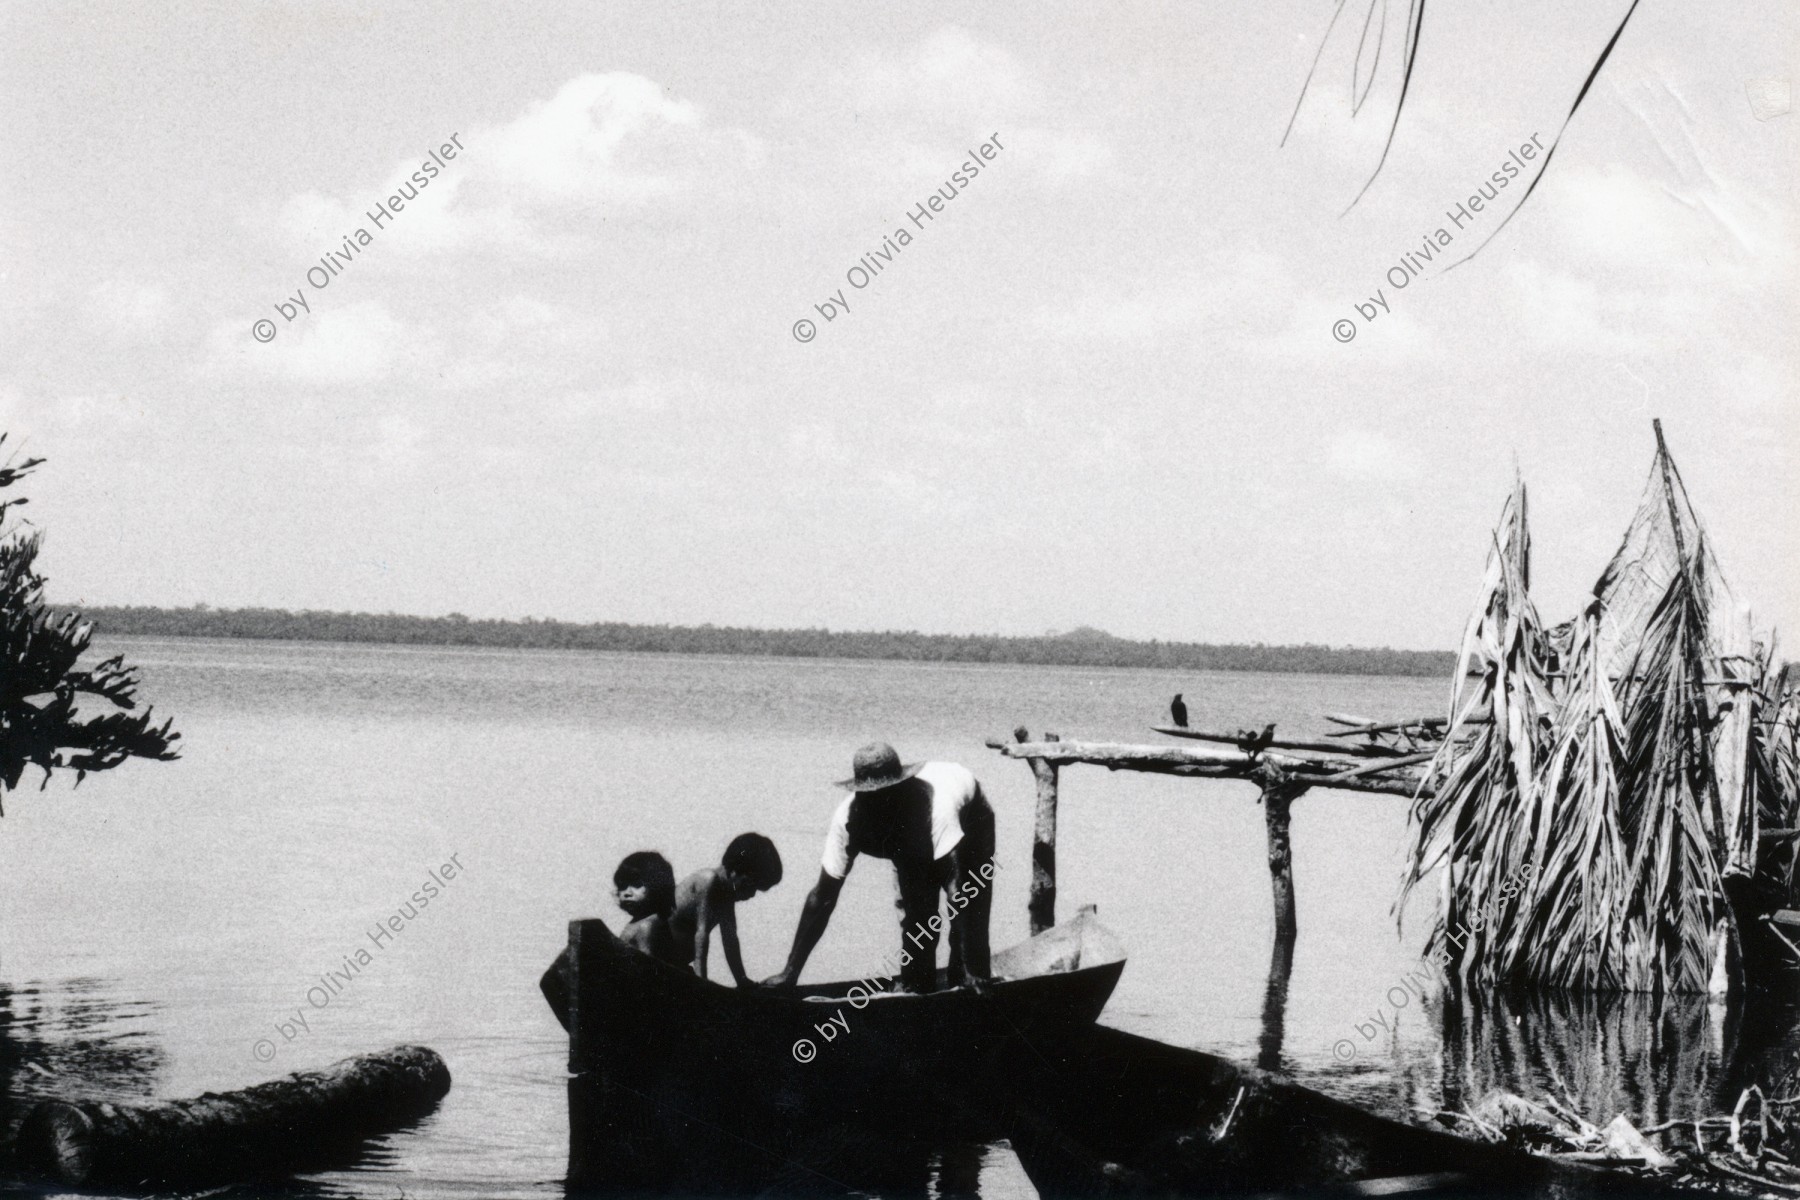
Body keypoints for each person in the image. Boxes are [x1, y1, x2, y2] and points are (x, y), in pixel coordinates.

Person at [762, 742, 994, 995]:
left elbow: (958, 893)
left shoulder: (936, 808)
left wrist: (970, 969)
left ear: (900, 789)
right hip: (912, 837)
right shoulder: (847, 820)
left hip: (972, 821)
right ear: (859, 791)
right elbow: (823, 897)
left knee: (973, 915)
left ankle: (970, 982)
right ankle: (919, 992)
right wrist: (790, 972)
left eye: (885, 795)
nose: (877, 803)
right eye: (869, 795)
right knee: (919, 924)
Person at [669, 833, 783, 986]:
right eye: (749, 885)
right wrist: (700, 983)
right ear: (734, 871)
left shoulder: (726, 895)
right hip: (655, 954)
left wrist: (742, 980)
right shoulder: (708, 880)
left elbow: (730, 940)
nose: (751, 894)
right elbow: (701, 934)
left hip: (676, 963)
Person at [612, 850, 684, 967]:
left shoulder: (647, 925)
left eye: (636, 884)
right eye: (622, 886)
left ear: (658, 887)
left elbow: (648, 971)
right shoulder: (640, 922)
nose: (627, 893)